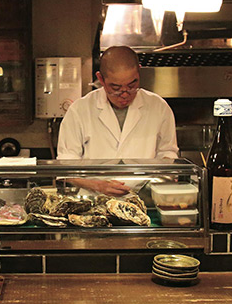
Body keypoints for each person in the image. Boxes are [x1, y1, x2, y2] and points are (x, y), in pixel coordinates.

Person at [57, 45, 179, 195]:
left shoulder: (158, 107)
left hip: (142, 198)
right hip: (93, 200)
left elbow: (168, 155)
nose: (124, 94)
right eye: (115, 87)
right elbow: (66, 166)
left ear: (139, 72)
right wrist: (97, 185)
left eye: (132, 85)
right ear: (101, 79)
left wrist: (155, 185)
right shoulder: (80, 110)